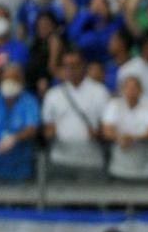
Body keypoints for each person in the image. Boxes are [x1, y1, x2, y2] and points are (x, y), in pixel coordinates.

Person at [41, 48, 109, 180]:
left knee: (90, 199)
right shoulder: (53, 94)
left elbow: (107, 126)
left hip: (90, 160)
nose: (71, 70)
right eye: (66, 66)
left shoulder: (100, 92)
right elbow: (48, 127)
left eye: (75, 66)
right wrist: (49, 133)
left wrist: (99, 133)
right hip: (60, 159)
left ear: (83, 66)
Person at [101, 74, 148, 182]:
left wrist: (132, 138)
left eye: (135, 88)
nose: (131, 91)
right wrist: (120, 139)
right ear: (122, 90)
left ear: (141, 90)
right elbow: (107, 131)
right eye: (128, 88)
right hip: (118, 169)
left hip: (145, 170)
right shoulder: (114, 105)